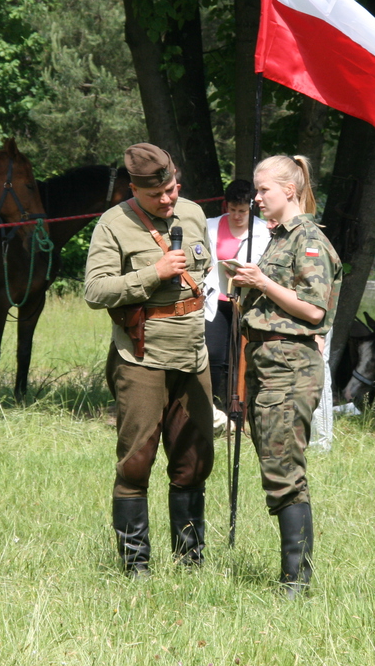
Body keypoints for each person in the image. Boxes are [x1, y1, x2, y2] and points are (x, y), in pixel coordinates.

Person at [84, 144, 215, 577]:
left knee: (195, 459)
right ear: (134, 188)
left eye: (172, 189)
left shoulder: (194, 214)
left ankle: (190, 562)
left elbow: (204, 272)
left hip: (193, 353)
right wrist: (152, 274)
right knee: (136, 461)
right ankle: (136, 568)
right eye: (157, 194)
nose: (167, 200)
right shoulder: (114, 223)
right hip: (142, 356)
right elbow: (96, 291)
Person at [229, 155, 341, 597]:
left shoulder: (308, 239)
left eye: (263, 191)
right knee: (274, 462)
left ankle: (296, 582)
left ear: (289, 192)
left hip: (290, 368)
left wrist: (262, 283)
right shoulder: (277, 239)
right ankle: (293, 575)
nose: (255, 198)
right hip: (264, 363)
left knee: (283, 469)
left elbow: (315, 310)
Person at [203, 179, 270, 422]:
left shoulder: (264, 230)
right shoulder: (209, 227)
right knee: (214, 355)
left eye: (242, 211)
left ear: (251, 208)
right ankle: (212, 409)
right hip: (215, 301)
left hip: (246, 303)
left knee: (240, 358)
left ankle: (238, 411)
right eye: (232, 210)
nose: (237, 216)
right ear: (226, 206)